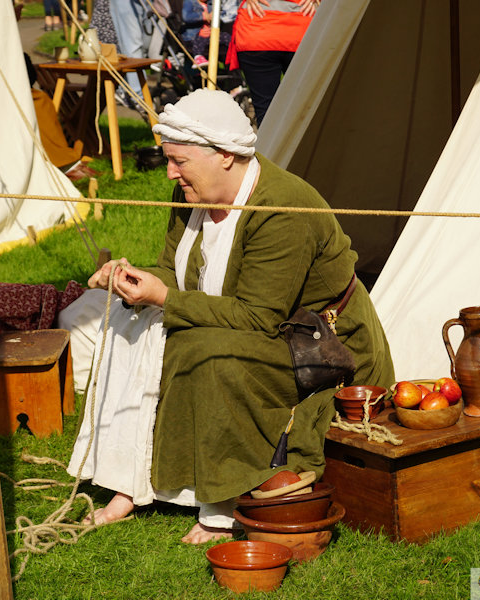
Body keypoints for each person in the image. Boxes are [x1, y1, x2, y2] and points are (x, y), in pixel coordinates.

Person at [63, 89, 393, 544]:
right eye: (168, 159)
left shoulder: (283, 207)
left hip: (321, 347)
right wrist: (134, 280)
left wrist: (165, 298)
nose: (170, 171)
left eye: (179, 160)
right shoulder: (193, 193)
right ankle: (130, 480)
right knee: (128, 321)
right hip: (266, 327)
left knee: (205, 349)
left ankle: (221, 501)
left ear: (223, 155)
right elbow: (174, 271)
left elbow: (258, 317)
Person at [226, 0, 320, 126]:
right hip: (302, 33)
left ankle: (269, 145)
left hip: (257, 32)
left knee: (266, 111)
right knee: (306, 106)